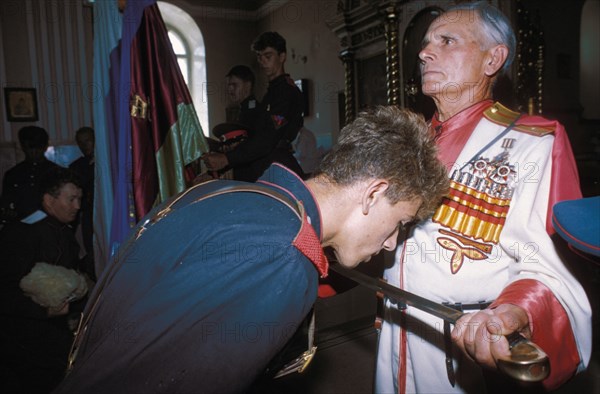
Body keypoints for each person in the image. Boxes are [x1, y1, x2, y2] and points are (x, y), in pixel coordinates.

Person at [54, 106, 449, 394]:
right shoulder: (284, 258)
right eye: (400, 222)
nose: (393, 242)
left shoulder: (234, 194)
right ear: (374, 193)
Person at [375, 2, 592, 393]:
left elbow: (553, 266)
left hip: (468, 340)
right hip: (396, 329)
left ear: (493, 59)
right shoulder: (404, 142)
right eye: (426, 43)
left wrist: (516, 312)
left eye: (447, 40)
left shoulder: (535, 142)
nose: (425, 52)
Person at [0, 167, 88, 393]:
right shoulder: (20, 234)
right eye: (71, 199)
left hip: (55, 340)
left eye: (79, 199)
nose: (77, 206)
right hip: (25, 347)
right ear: (49, 200)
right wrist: (44, 313)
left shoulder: (64, 233)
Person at [203, 32, 305, 181]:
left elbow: (268, 138)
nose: (263, 62)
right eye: (259, 57)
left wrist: (227, 159)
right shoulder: (272, 92)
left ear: (282, 57)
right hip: (266, 165)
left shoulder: (286, 92)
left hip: (278, 168)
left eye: (268, 56)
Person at [1, 126, 60, 224]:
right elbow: (5, 204)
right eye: (30, 147)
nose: (34, 152)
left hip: (51, 227)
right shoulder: (13, 174)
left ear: (45, 147)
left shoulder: (57, 172)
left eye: (38, 147)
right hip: (21, 228)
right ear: (23, 147)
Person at [69, 127, 96, 280]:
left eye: (88, 141)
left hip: (107, 214)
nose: (84, 145)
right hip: (87, 216)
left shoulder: (107, 162)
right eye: (80, 142)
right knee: (90, 252)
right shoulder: (76, 167)